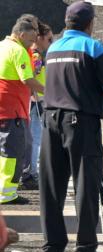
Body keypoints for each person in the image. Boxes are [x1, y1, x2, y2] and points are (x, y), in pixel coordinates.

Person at [40, 2, 103, 252]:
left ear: (66, 22)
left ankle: (52, 248)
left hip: (50, 119)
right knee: (85, 184)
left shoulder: (53, 49)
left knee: (51, 186)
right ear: (90, 23)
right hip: (80, 122)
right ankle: (85, 249)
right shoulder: (93, 47)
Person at [0, 18, 45, 204]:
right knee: (12, 151)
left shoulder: (2, 45)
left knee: (5, 150)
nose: (33, 42)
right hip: (13, 109)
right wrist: (52, 91)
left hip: (5, 108)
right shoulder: (18, 50)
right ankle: (7, 194)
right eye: (31, 37)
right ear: (21, 34)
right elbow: (27, 80)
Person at [21, 21, 52, 188]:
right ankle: (31, 174)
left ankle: (30, 172)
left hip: (36, 101)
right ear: (38, 38)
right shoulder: (36, 56)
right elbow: (31, 76)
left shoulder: (33, 55)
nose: (50, 43)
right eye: (48, 39)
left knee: (34, 139)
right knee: (35, 139)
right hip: (35, 102)